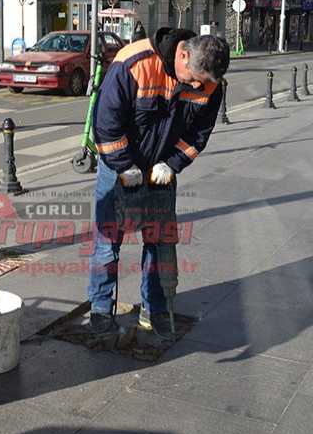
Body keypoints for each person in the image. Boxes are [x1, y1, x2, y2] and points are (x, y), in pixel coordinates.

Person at [87, 29, 230, 337]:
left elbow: (198, 134)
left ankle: (154, 308)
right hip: (119, 167)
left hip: (161, 169)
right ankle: (100, 309)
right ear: (183, 55)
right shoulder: (134, 63)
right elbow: (106, 125)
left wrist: (173, 164)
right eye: (193, 77)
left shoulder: (209, 81)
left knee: (160, 242)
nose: (195, 85)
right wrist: (125, 166)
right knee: (107, 243)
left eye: (202, 82)